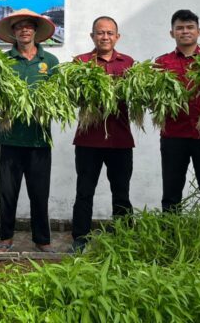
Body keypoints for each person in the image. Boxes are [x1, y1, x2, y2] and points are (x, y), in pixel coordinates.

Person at [0, 9, 59, 253]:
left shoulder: (50, 61)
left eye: (29, 26)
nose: (24, 30)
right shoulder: (3, 60)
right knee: (7, 193)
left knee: (40, 193)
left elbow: (58, 95)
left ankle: (42, 239)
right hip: (10, 137)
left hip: (39, 138)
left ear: (36, 31)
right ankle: (5, 238)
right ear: (13, 32)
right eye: (19, 27)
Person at [154, 9, 200, 227]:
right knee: (171, 192)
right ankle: (171, 238)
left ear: (198, 31)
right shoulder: (162, 63)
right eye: (179, 28)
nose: (185, 31)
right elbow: (152, 97)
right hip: (173, 135)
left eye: (189, 27)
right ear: (172, 33)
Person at [70, 16, 135, 252]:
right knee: (84, 192)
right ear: (92, 36)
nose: (105, 37)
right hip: (89, 139)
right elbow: (71, 96)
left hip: (120, 140)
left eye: (109, 33)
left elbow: (138, 96)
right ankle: (80, 239)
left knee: (121, 193)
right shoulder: (81, 63)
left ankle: (124, 238)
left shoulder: (129, 63)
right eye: (100, 33)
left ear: (117, 37)